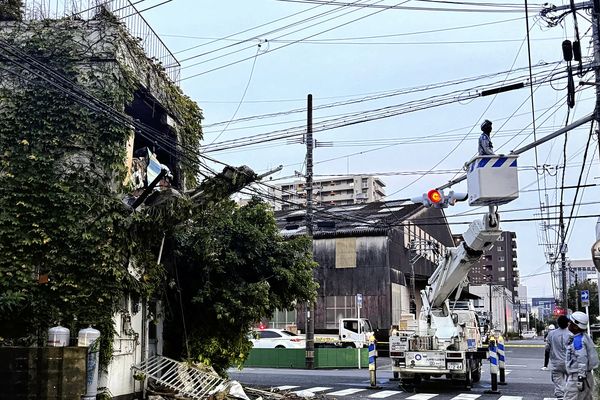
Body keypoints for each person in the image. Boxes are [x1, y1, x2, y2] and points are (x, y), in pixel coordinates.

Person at [564, 311, 599, 400]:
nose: (568, 324)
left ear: (575, 326)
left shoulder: (578, 340)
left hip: (577, 378)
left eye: (570, 322)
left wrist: (580, 377)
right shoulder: (585, 337)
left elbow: (582, 358)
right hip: (586, 376)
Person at [542, 316, 571, 399]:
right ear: (567, 323)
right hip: (569, 362)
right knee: (571, 382)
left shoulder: (551, 334)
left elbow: (547, 348)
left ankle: (561, 397)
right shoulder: (571, 334)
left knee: (558, 383)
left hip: (556, 363)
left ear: (557, 323)